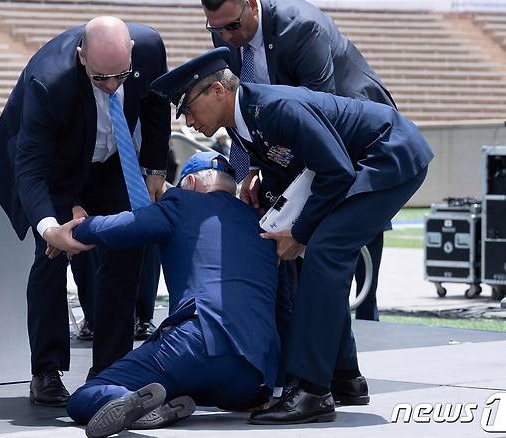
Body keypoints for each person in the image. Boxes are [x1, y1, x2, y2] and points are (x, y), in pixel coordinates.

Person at [150, 47, 433, 424]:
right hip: (363, 160)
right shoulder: (244, 119)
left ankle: (313, 392)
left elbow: (336, 172)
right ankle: (344, 376)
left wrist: (299, 232)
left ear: (218, 91)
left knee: (325, 252)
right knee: (322, 256)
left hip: (388, 155)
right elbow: (291, 165)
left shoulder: (274, 109)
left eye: (188, 108)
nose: (188, 122)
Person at [0, 17, 170, 407]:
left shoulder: (150, 48)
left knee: (127, 243)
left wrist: (155, 167)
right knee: (53, 255)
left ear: (132, 55)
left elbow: (156, 103)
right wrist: (51, 226)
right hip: (50, 165)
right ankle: (46, 370)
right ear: (81, 56)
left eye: (120, 76)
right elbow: (32, 167)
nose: (111, 86)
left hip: (109, 161)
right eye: (101, 77)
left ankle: (111, 368)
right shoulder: (48, 82)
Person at [202, 0, 396, 321]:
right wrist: (252, 166)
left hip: (353, 125)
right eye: (215, 28)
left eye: (232, 26)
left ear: (252, 5)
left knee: (354, 215)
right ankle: (311, 321)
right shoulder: (227, 31)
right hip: (289, 130)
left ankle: (364, 313)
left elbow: (319, 113)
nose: (224, 36)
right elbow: (245, 105)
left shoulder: (301, 27)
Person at [64, 151, 280, 437]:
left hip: (195, 340)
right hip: (253, 373)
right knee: (196, 382)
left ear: (189, 181)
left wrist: (74, 231)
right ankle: (168, 401)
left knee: (83, 397)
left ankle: (131, 401)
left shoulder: (182, 202)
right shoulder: (261, 223)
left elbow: (124, 226)